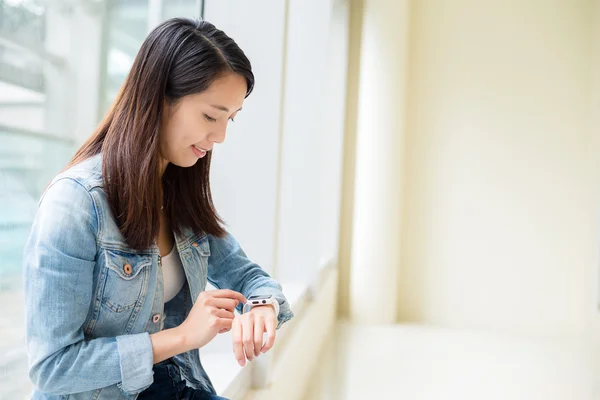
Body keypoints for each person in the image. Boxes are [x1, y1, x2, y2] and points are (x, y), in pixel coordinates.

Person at [22, 18, 293, 400]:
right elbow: (53, 368)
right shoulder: (75, 204)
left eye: (229, 119)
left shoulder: (181, 198)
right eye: (210, 116)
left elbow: (247, 276)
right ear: (160, 99)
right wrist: (181, 336)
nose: (220, 137)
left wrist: (264, 307)